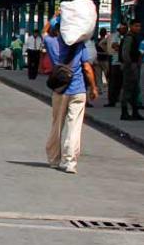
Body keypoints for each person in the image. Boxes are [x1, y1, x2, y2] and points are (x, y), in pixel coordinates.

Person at [43, 17, 98, 174]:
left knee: (57, 125)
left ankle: (54, 160)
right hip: (78, 90)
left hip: (60, 91)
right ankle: (70, 162)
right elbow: (87, 68)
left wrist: (55, 16)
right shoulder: (79, 45)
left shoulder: (52, 43)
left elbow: (44, 31)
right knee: (74, 127)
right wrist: (94, 88)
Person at [119, 20, 144, 120]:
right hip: (130, 67)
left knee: (134, 90)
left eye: (139, 26)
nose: (138, 28)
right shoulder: (129, 37)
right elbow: (125, 53)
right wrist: (129, 65)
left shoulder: (134, 37)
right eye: (136, 26)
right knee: (128, 89)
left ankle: (135, 112)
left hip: (133, 66)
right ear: (131, 26)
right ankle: (124, 112)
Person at [106, 23, 127, 107]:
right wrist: (122, 47)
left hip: (123, 63)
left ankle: (118, 98)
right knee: (114, 82)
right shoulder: (115, 36)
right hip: (115, 62)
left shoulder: (127, 36)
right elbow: (114, 46)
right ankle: (112, 100)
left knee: (121, 82)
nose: (124, 30)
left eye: (125, 28)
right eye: (122, 28)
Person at [96, 28, 113, 95]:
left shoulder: (97, 41)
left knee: (98, 77)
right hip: (105, 60)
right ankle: (110, 89)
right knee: (108, 75)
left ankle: (100, 89)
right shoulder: (107, 41)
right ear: (105, 33)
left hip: (97, 60)